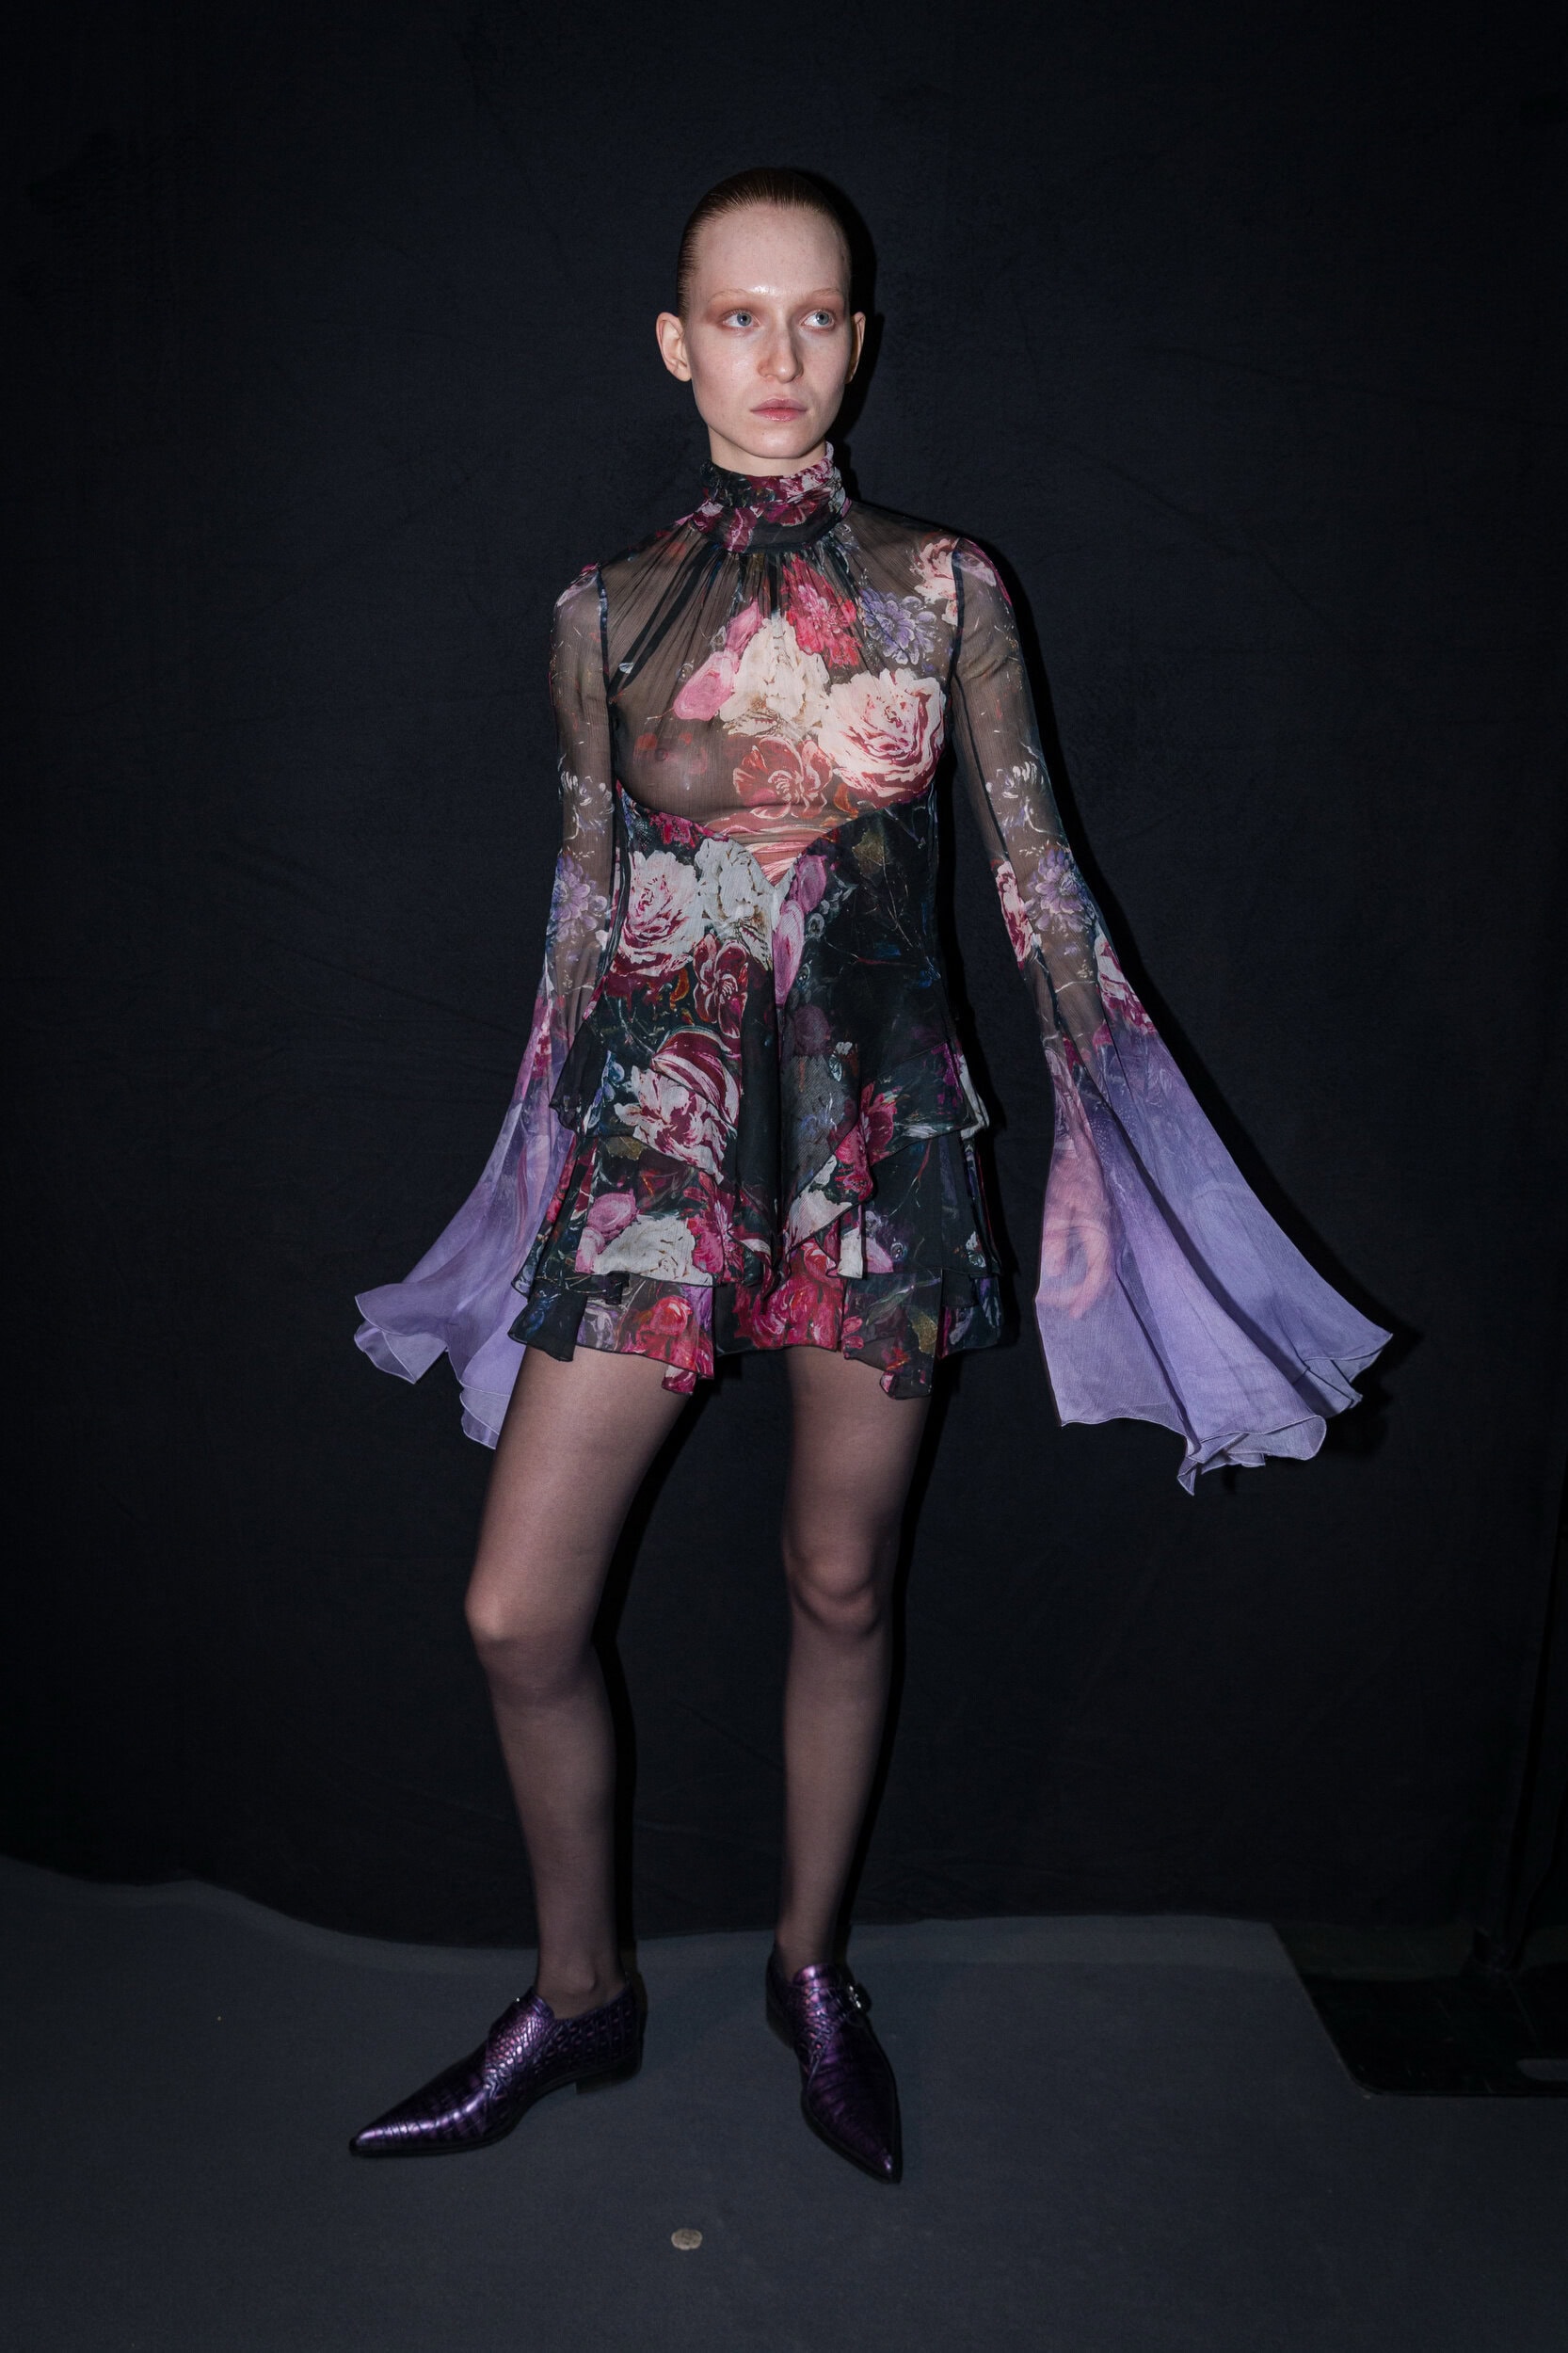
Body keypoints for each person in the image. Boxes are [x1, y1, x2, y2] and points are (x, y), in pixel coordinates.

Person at [348, 168, 1389, 2184]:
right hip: (658, 1147)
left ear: (860, 338)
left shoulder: (943, 588)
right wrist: (530, 1185)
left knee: (839, 1578)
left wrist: (1137, 1169)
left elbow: (1040, 887)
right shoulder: (598, 611)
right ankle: (578, 1988)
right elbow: (578, 922)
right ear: (676, 346)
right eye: (738, 318)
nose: (779, 355)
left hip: (875, 1145)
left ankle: (809, 1967)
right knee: (514, 1611)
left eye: (815, 316)